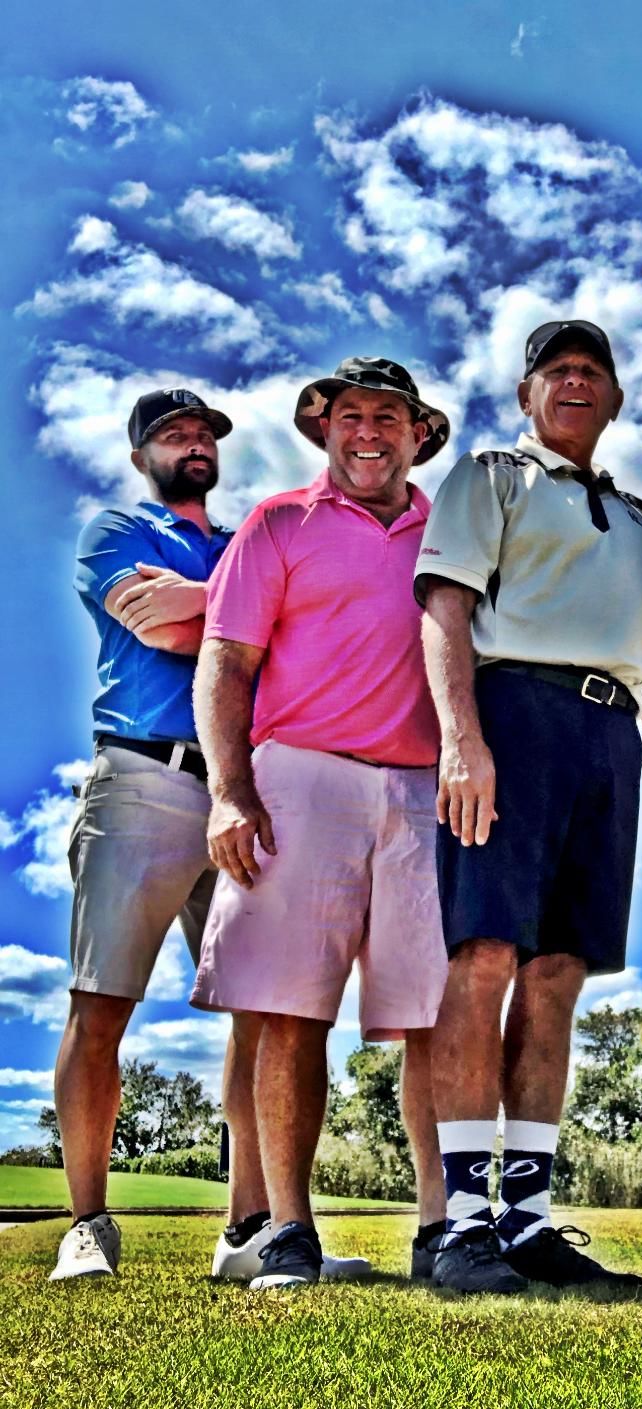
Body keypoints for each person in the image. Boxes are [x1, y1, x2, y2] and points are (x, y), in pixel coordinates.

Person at [414, 319, 642, 1294]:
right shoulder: (491, 477)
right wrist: (462, 739)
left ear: (614, 398)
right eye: (556, 369)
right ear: (528, 394)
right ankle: (460, 1223)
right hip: (512, 713)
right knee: (485, 953)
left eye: (592, 371)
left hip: (607, 735)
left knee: (559, 971)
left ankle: (527, 1222)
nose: (575, 382)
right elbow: (445, 606)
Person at [190, 357, 452, 1289]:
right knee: (289, 1009)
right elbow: (225, 662)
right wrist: (230, 789)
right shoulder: (276, 523)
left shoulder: (453, 531)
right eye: (351, 416)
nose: (368, 432)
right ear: (326, 428)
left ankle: (443, 1227)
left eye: (389, 416)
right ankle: (288, 1229)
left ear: (419, 433)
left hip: (423, 790)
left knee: (432, 1014)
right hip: (299, 778)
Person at [52, 389, 240, 1279]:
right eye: (173, 433)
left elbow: (300, 636)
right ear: (142, 455)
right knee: (102, 1002)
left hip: (245, 785)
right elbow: (160, 625)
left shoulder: (245, 540)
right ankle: (87, 1224)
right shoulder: (117, 530)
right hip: (141, 775)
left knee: (265, 1008)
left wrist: (216, 606)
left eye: (204, 432)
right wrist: (249, 615)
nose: (193, 442)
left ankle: (254, 1226)